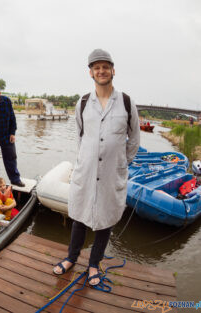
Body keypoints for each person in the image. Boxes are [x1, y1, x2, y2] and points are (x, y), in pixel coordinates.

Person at [53, 49, 140, 287]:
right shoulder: (82, 103)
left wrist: (122, 163)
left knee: (106, 219)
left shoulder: (126, 102)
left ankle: (93, 264)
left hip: (113, 174)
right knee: (80, 216)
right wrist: (84, 161)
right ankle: (71, 258)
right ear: (90, 72)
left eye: (105, 66)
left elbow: (134, 140)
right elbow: (81, 137)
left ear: (113, 70)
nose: (101, 71)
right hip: (87, 172)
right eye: (96, 67)